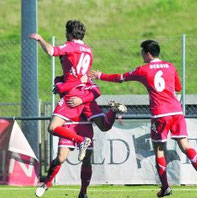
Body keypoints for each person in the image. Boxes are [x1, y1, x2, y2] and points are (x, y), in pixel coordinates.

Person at [89, 39, 197, 197]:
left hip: (160, 114)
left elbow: (121, 77)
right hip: (177, 112)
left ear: (147, 53)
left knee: (159, 149)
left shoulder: (143, 70)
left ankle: (166, 186)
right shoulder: (170, 66)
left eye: (141, 53)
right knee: (185, 146)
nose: (141, 56)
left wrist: (101, 75)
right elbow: (178, 88)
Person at [30, 20, 126, 161]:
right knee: (104, 126)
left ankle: (81, 141)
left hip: (73, 95)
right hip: (84, 91)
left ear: (68, 33)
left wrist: (40, 39)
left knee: (53, 127)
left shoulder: (70, 46)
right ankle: (112, 111)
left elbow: (51, 51)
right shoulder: (88, 50)